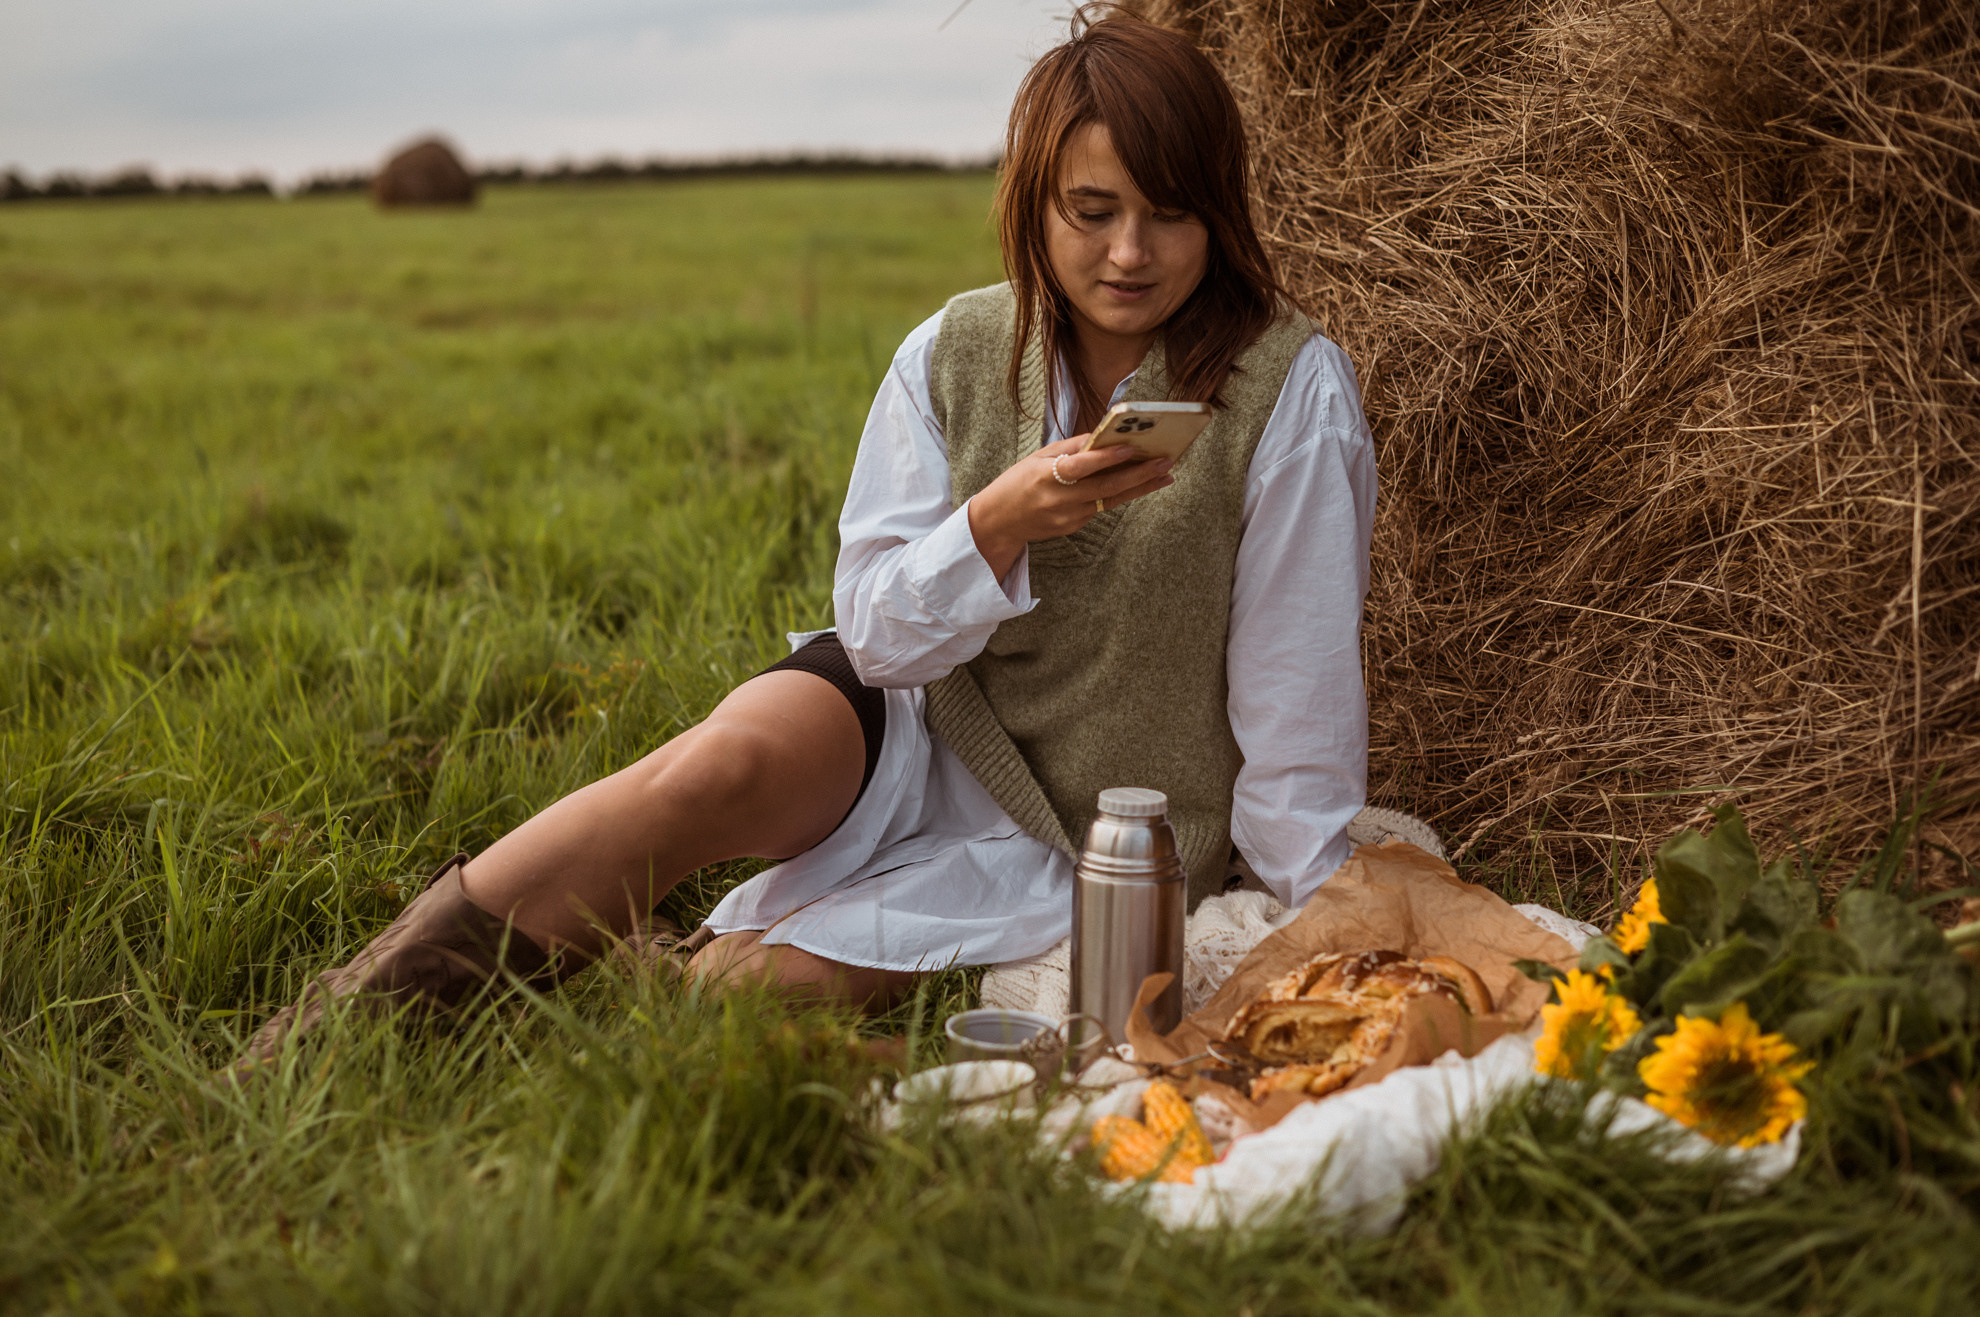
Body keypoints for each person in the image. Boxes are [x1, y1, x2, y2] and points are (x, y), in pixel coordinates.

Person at [234, 9, 1375, 1069]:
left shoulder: (1290, 390)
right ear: (1034, 203)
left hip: (1089, 822)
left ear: (1218, 213)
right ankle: (328, 1040)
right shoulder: (949, 352)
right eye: (1093, 211)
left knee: (753, 991)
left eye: (1171, 213)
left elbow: (1296, 697)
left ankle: (650, 969)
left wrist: (1318, 922)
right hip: (923, 712)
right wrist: (993, 524)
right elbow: (877, 639)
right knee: (711, 767)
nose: (1131, 252)